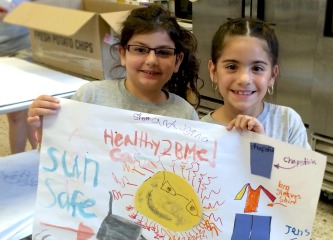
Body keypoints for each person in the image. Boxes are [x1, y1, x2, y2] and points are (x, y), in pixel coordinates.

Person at [27, 4, 202, 144]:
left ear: (177, 61)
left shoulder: (185, 114)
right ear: (123, 54)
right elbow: (58, 158)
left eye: (163, 52)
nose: (151, 60)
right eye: (140, 49)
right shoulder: (90, 97)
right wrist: (45, 128)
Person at [201, 18, 310, 149]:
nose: (244, 79)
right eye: (231, 66)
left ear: (272, 75)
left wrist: (260, 147)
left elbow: (301, 169)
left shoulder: (287, 122)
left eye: (257, 68)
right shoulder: (199, 133)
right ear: (213, 71)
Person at [1, 0, 38, 154]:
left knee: (30, 107)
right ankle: (18, 168)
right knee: (16, 113)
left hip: (27, 43)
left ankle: (40, 158)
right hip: (2, 50)